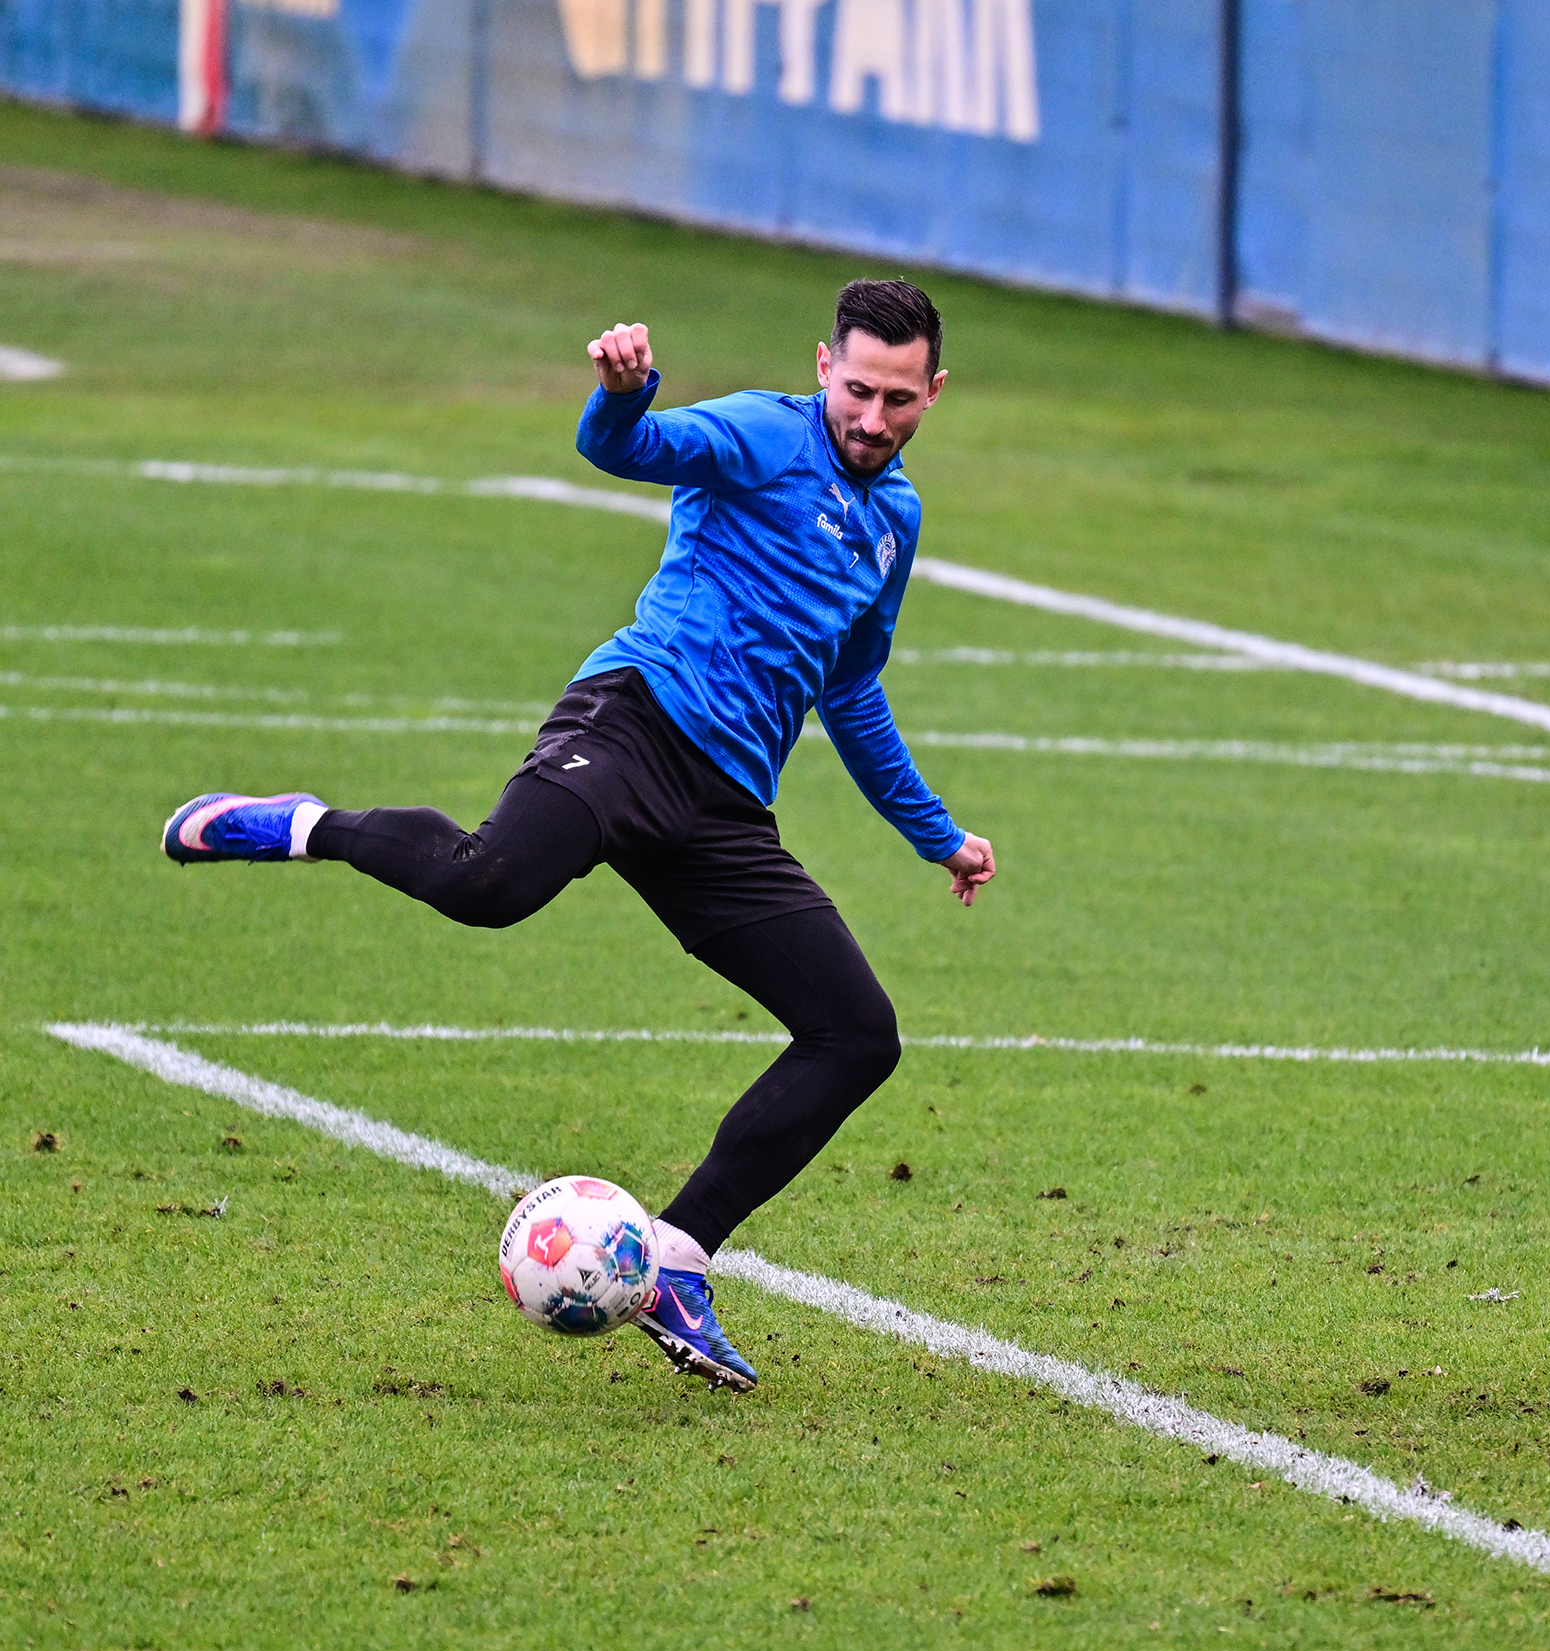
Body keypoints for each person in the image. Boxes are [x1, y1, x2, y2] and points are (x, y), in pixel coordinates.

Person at [159, 278, 995, 1393]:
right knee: (489, 885)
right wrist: (624, 392)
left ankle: (679, 1258)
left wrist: (937, 834)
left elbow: (851, 689)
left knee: (857, 1034)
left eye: (897, 398)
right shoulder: (760, 432)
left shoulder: (897, 522)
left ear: (934, 392)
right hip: (633, 722)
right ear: (821, 368)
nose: (872, 417)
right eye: (856, 389)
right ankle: (304, 824)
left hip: (722, 806)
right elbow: (624, 447)